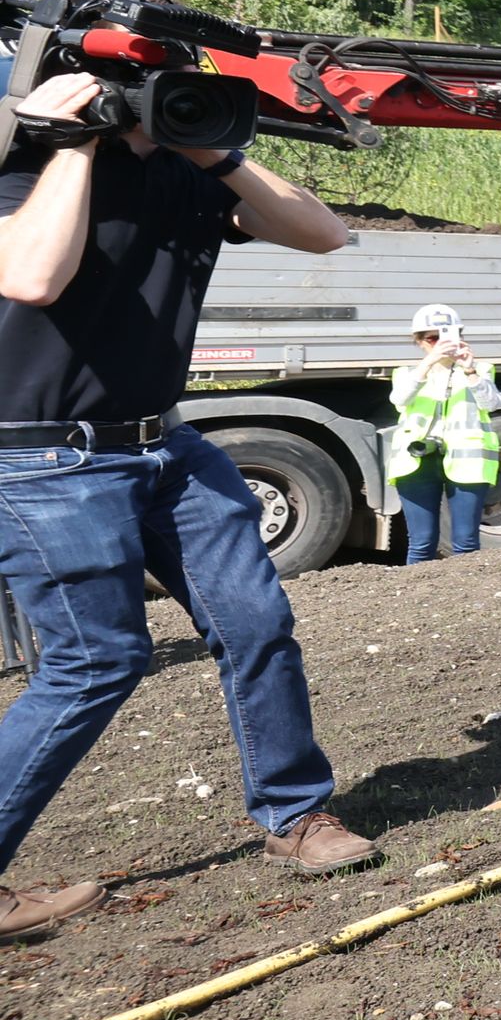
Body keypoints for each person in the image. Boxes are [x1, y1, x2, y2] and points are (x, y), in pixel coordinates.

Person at [0, 70, 371, 940]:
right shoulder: (24, 164)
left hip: (167, 443)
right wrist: (74, 141)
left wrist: (211, 147)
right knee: (96, 662)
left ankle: (295, 815)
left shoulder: (187, 176)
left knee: (256, 621)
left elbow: (325, 233)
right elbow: (32, 275)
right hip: (45, 458)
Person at [385, 302, 501, 561]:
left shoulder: (480, 370)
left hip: (467, 462)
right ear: (419, 342)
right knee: (421, 543)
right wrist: (428, 364)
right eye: (432, 339)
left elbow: (491, 404)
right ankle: (414, 597)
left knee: (466, 543)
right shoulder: (407, 374)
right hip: (416, 462)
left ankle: (467, 597)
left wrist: (469, 369)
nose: (441, 344)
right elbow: (400, 399)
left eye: (448, 337)